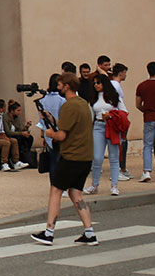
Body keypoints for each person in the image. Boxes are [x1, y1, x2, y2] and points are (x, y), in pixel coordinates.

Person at [31, 72, 97, 246]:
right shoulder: (83, 104)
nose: (58, 88)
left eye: (60, 85)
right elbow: (72, 125)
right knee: (76, 193)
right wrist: (53, 120)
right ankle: (89, 232)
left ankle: (49, 231)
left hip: (71, 157)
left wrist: (49, 132)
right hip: (85, 157)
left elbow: (61, 135)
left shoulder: (69, 106)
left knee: (55, 191)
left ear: (67, 86)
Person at [84, 74, 123, 196]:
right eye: (94, 83)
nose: (96, 85)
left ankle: (114, 185)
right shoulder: (94, 98)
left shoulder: (114, 97)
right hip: (98, 126)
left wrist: (111, 115)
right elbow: (91, 114)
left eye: (98, 83)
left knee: (114, 157)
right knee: (97, 157)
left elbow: (124, 112)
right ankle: (94, 184)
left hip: (111, 126)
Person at [33, 72, 65, 173]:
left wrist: (42, 135)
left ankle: (53, 185)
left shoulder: (42, 101)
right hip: (59, 133)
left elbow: (41, 120)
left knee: (52, 162)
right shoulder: (62, 100)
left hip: (48, 133)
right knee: (59, 161)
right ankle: (60, 186)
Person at [5, 100, 35, 166]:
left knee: (30, 138)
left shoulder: (17, 118)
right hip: (9, 136)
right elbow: (8, 132)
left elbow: (20, 129)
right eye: (18, 111)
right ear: (12, 111)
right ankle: (15, 159)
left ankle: (25, 154)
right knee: (18, 139)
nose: (19, 113)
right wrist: (21, 133)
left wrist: (26, 127)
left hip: (17, 134)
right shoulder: (6, 118)